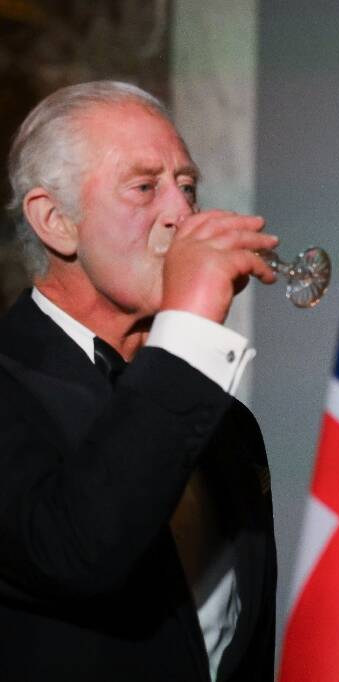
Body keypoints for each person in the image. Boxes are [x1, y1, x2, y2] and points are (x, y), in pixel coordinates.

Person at [0, 81, 278, 680]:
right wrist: (191, 325)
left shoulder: (229, 426)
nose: (181, 214)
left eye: (187, 187)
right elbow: (75, 552)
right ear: (56, 222)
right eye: (145, 187)